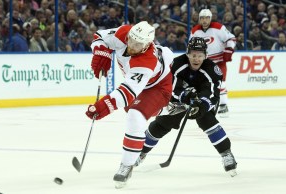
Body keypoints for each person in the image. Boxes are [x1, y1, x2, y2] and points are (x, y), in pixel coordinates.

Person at [85, 21, 174, 188]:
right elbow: (99, 36)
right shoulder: (124, 33)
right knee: (132, 109)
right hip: (139, 87)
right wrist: (100, 52)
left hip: (159, 87)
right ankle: (163, 109)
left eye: (138, 43)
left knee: (135, 116)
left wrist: (102, 107)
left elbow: (126, 93)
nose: (132, 45)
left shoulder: (146, 61)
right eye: (131, 39)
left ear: (147, 44)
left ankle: (127, 165)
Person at [135, 37, 238, 177]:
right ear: (187, 54)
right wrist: (184, 95)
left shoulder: (212, 70)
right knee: (164, 122)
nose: (196, 59)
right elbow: (169, 87)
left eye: (200, 55)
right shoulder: (176, 64)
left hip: (203, 100)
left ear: (206, 55)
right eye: (193, 55)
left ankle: (226, 154)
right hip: (179, 98)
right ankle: (140, 153)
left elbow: (212, 94)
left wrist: (201, 104)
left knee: (207, 121)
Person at [190, 9, 236, 117]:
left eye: (207, 18)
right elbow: (191, 45)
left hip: (219, 61)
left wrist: (229, 49)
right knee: (201, 84)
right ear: (199, 19)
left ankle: (223, 105)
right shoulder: (195, 31)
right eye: (202, 18)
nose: (204, 20)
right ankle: (203, 104)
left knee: (221, 83)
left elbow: (231, 38)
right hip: (203, 63)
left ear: (210, 18)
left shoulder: (218, 27)